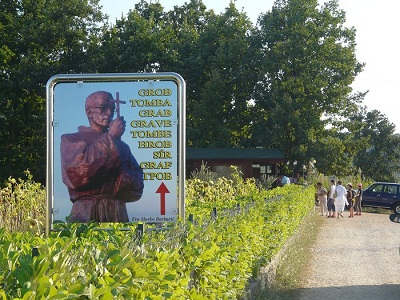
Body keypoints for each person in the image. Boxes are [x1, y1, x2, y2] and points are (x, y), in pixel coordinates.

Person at [60, 91, 144, 223]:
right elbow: (81, 173)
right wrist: (110, 137)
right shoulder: (71, 139)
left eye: (112, 109)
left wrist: (114, 181)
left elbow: (137, 185)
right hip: (87, 211)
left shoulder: (122, 147)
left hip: (117, 212)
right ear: (89, 113)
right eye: (103, 108)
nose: (109, 113)